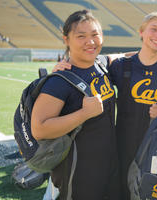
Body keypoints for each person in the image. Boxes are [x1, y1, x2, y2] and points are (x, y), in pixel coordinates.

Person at [31, 10, 120, 199]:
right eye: (81, 36)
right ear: (66, 39)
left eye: (95, 35)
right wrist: (83, 114)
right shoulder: (59, 81)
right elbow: (39, 129)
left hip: (109, 165)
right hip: (78, 172)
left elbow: (122, 56)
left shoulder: (101, 63)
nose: (90, 42)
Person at [109, 12, 157, 200]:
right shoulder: (121, 66)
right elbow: (96, 62)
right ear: (141, 32)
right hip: (122, 147)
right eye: (154, 29)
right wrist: (65, 63)